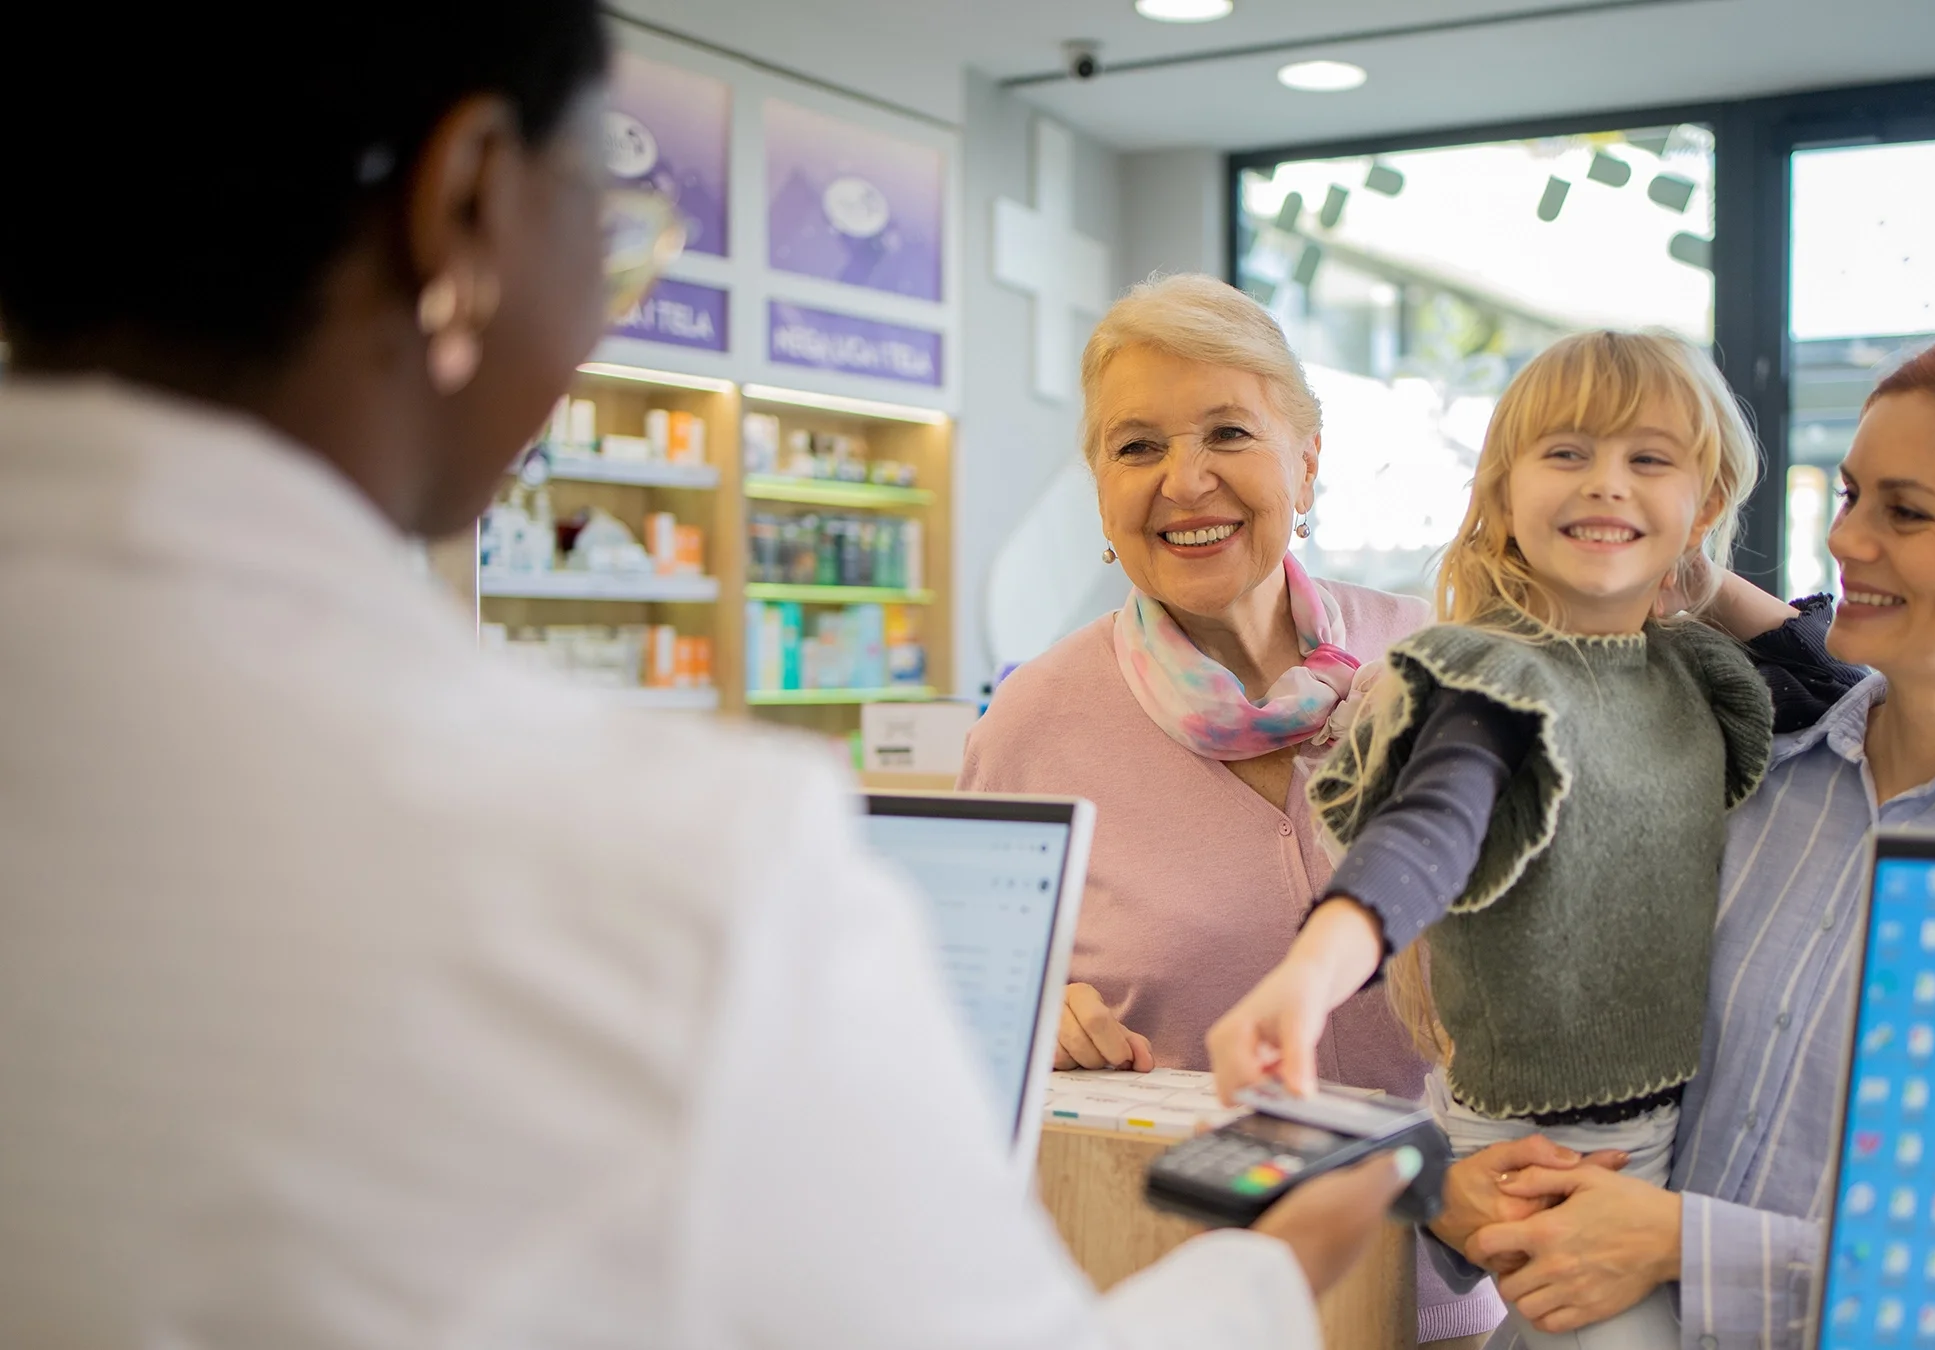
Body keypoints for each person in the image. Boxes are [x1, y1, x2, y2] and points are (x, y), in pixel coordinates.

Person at [0, 8, 1414, 1347]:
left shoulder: (1440, 669)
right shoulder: (686, 862)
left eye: (1228, 431)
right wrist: (1272, 1267)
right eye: (604, 223)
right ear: (472, 201)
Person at [1216, 335, 1935, 1346]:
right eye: (1850, 496)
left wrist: (1683, 1244)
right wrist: (1449, 1188)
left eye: (1906, 512)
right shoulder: (1734, 770)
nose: (1850, 541)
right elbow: (1519, 1010)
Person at [956, 275, 1508, 1347]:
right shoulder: (1033, 721)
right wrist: (1040, 1019)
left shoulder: (1444, 664)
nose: (1186, 480)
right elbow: (961, 1034)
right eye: (1137, 447)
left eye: (1227, 432)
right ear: (1099, 486)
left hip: (1463, 1288)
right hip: (1173, 1291)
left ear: (1305, 460)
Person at [1215, 330, 1775, 1350]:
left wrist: (1698, 572)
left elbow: (1842, 683)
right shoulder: (1489, 682)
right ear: (1503, 497)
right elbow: (1422, 840)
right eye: (1566, 453)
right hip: (1547, 1149)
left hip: (1680, 1139)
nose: (1606, 484)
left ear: (1704, 500)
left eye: (1649, 460)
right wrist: (1310, 972)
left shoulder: (1696, 673)